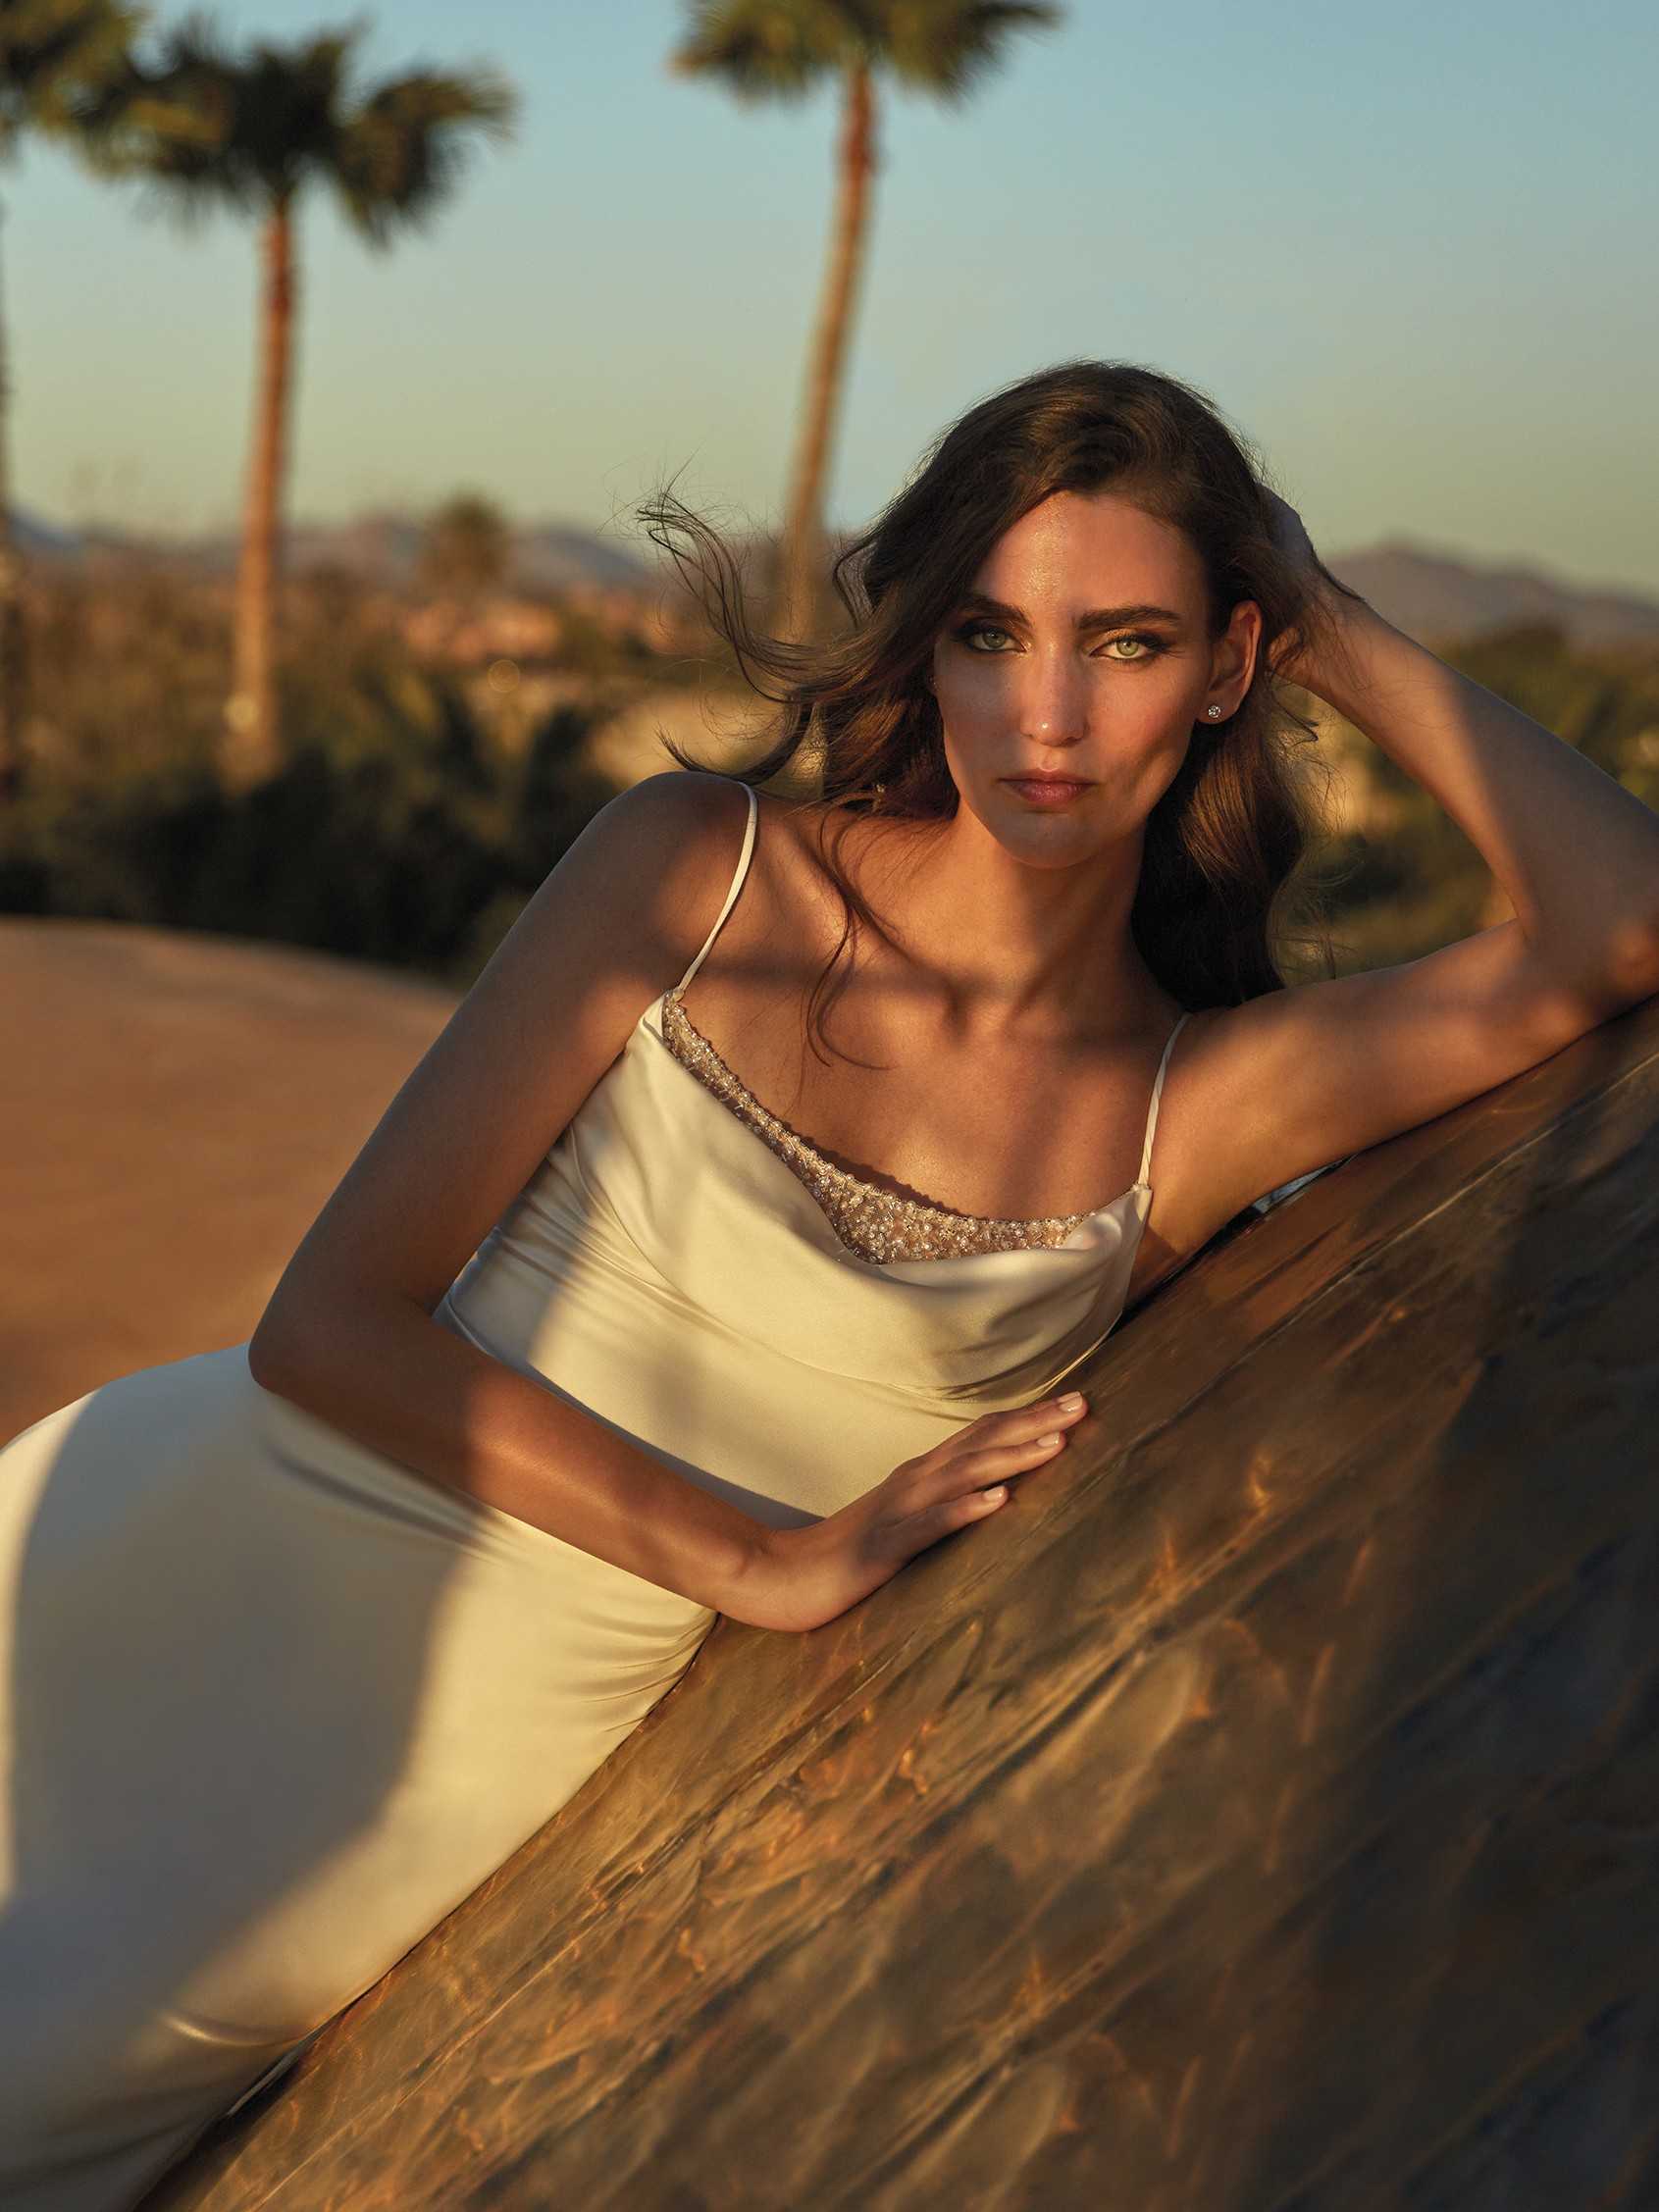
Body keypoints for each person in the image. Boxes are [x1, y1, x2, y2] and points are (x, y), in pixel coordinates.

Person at [4, 359, 1657, 2209]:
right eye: (988, 631)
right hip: (174, 1577)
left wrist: (1327, 608)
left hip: (428, 1793)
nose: (1045, 712)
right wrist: (754, 1559)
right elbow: (332, 1325)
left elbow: (1617, 925)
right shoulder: (702, 873)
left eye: (1124, 642)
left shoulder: (1188, 1112)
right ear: (925, 648)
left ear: (1227, 666)